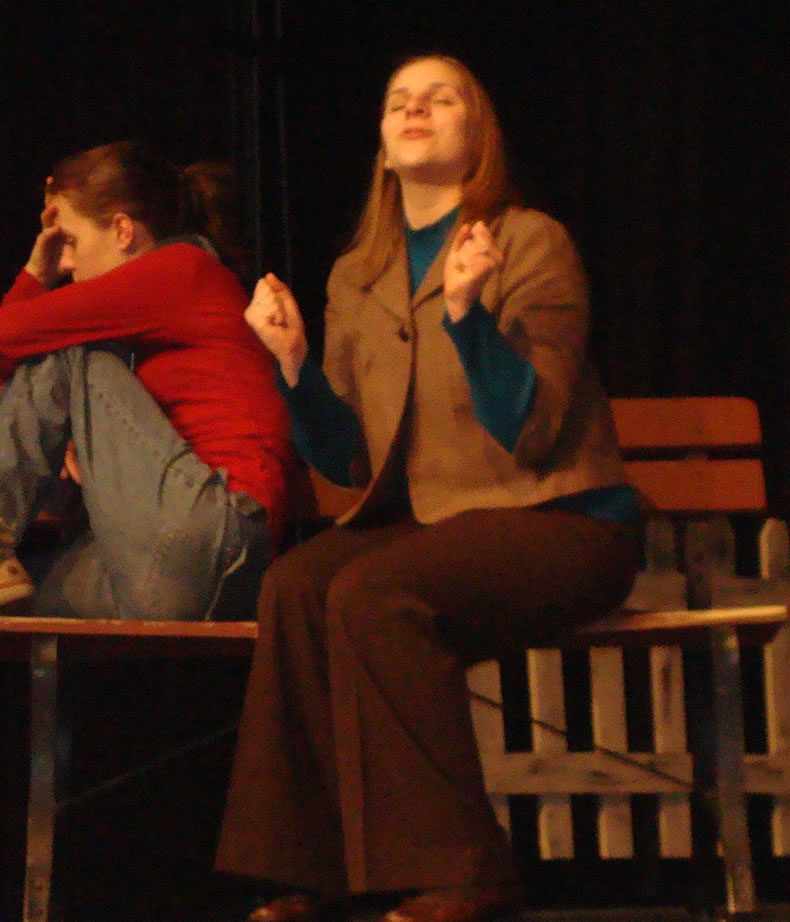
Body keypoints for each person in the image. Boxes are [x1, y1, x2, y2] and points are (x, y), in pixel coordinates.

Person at [215, 55, 642, 922]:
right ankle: (316, 872)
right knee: (295, 587)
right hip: (434, 526)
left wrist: (467, 317)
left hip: (561, 520)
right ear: (382, 145)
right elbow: (347, 462)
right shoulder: (356, 276)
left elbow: (531, 429)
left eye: (440, 100)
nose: (415, 109)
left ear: (478, 137)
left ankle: (466, 871)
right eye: (398, 102)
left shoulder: (530, 243)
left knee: (373, 593)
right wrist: (293, 366)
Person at [0, 141, 292, 920]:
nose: (64, 263)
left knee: (66, 354)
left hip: (215, 539)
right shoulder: (120, 326)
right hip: (133, 561)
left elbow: (9, 337)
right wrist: (44, 298)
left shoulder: (184, 269)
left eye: (69, 242)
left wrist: (34, 287)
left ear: (124, 229)